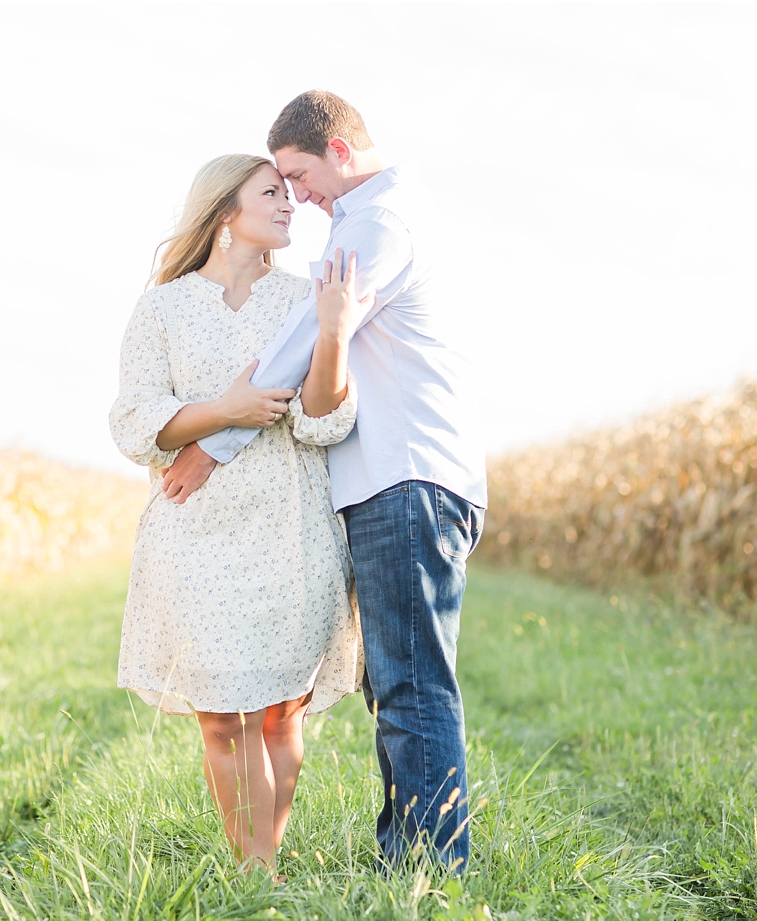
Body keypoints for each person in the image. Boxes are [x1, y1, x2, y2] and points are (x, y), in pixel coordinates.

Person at [159, 91, 488, 873]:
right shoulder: (364, 219)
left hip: (406, 477)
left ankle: (430, 870)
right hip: (393, 480)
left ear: (339, 153)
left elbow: (308, 336)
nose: (299, 197)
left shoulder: (378, 222)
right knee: (399, 685)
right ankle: (411, 856)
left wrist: (215, 439)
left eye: (300, 176)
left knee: (410, 687)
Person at [108, 153, 374, 877]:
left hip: (288, 525)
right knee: (221, 716)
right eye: (271, 192)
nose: (289, 204)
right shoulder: (161, 307)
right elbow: (135, 421)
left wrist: (333, 333)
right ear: (226, 211)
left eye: (290, 191)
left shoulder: (303, 299)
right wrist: (225, 408)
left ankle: (263, 860)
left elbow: (325, 421)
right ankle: (252, 863)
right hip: (195, 528)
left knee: (282, 710)